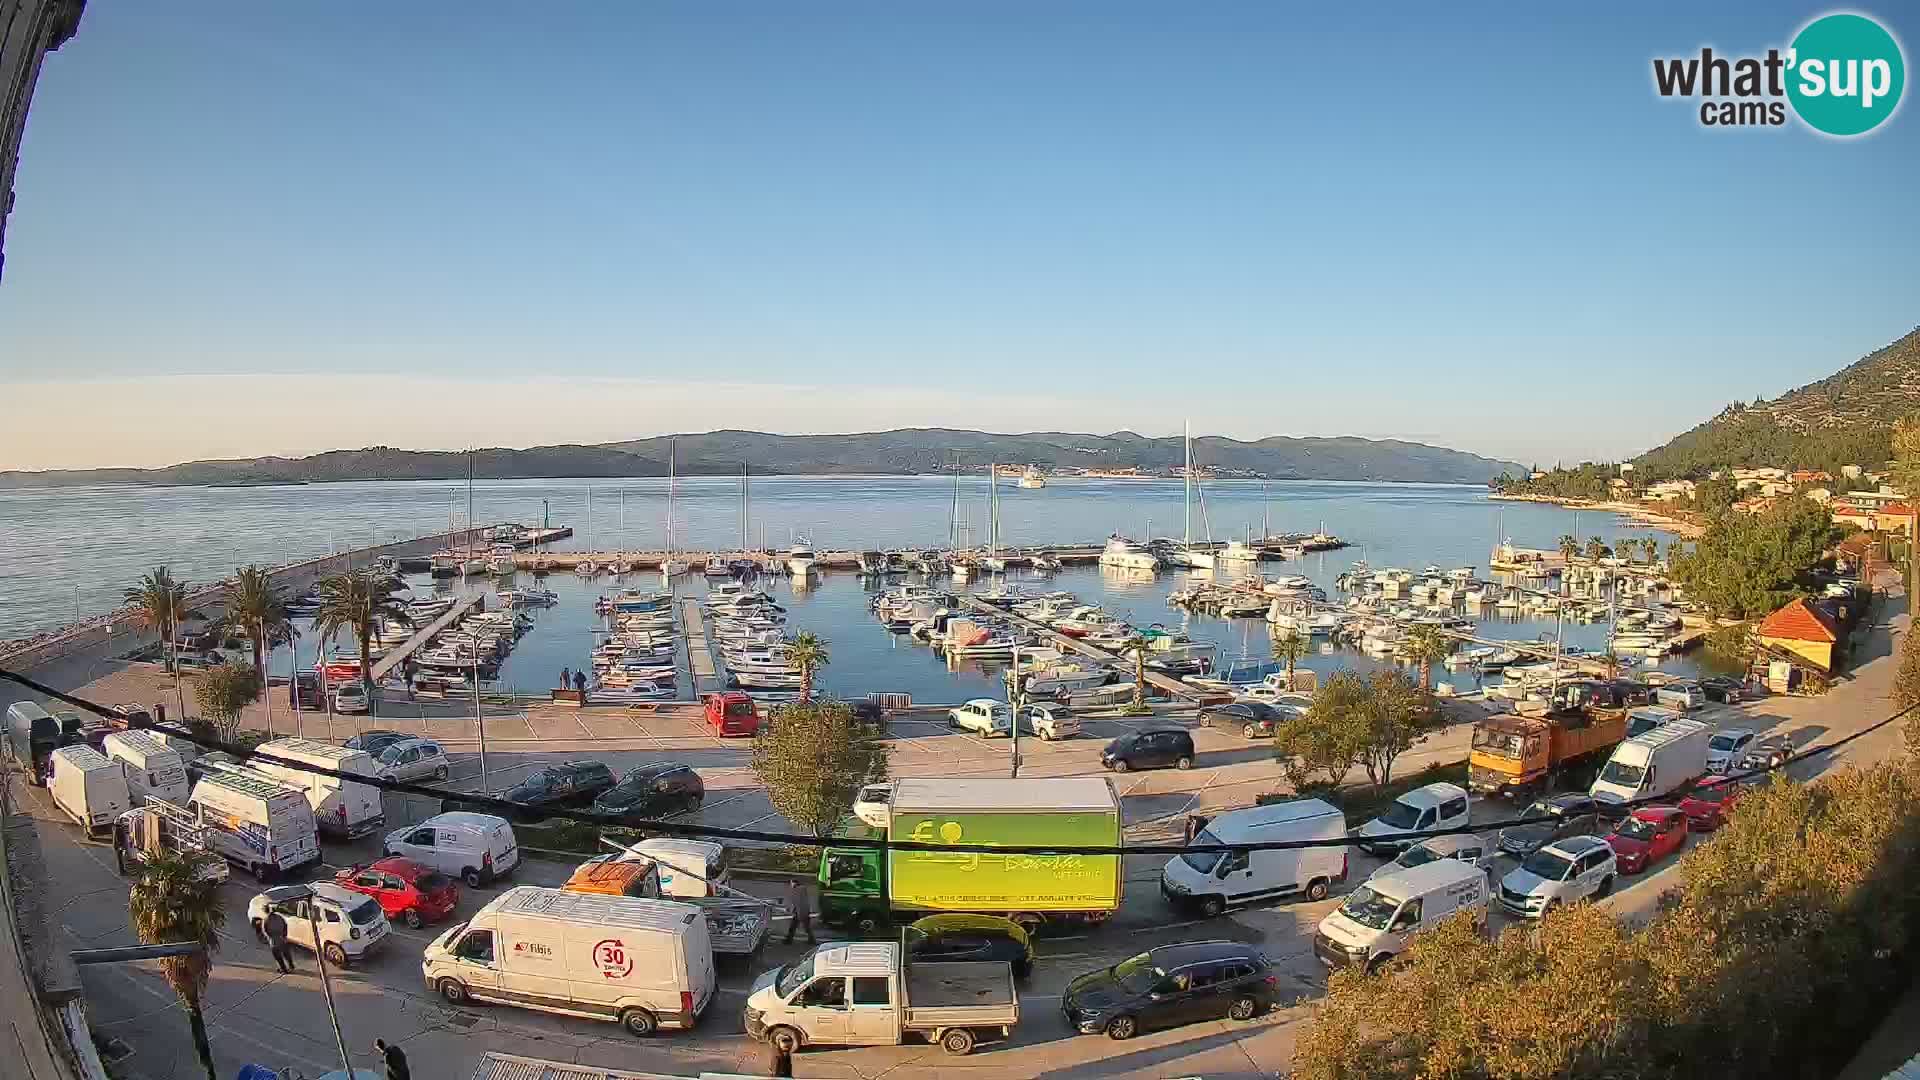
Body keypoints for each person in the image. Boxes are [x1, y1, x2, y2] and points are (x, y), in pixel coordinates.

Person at [782, 876, 816, 945]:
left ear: (794, 883)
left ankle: (789, 940)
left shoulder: (797, 890)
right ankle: (811, 940)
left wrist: (791, 909)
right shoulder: (802, 889)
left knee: (794, 927)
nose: (790, 885)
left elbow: (796, 902)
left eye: (791, 883)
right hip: (804, 911)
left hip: (800, 912)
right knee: (805, 927)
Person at [262, 909, 295, 974]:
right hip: (282, 938)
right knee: (286, 953)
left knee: (277, 956)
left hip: (274, 940)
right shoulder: (279, 917)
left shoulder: (266, 919)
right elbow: (285, 925)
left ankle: (283, 969)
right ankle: (291, 965)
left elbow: (265, 930)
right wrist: (284, 935)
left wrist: (269, 937)